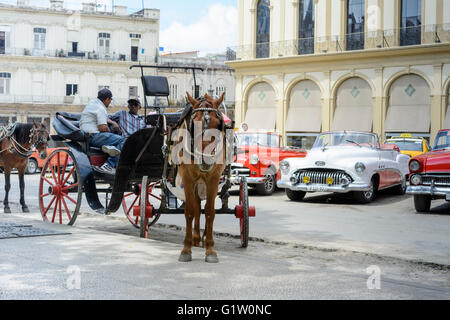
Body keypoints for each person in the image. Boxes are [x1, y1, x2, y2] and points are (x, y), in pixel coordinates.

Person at [80, 88, 125, 174]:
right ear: (107, 99)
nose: (110, 102)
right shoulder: (101, 108)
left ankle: (110, 148)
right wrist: (110, 132)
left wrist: (112, 123)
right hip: (94, 136)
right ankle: (109, 165)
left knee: (114, 138)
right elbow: (102, 128)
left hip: (88, 135)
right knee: (123, 140)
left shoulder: (92, 103)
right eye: (110, 100)